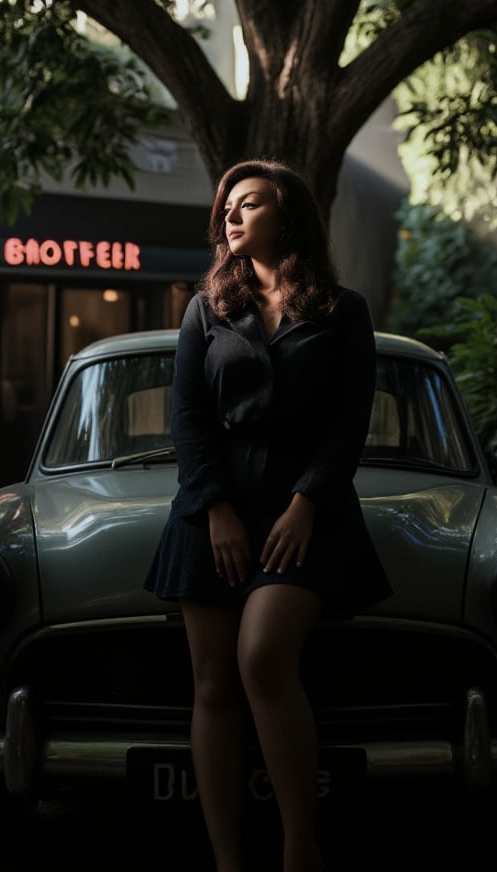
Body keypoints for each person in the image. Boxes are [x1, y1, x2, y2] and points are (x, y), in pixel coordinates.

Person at [145, 159, 392, 872]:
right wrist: (215, 507)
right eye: (227, 206)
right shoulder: (206, 308)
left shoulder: (343, 310)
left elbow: (349, 423)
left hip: (306, 510)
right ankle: (226, 858)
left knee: (261, 660)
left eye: (248, 204)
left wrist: (307, 501)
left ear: (286, 216)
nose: (230, 215)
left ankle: (296, 850)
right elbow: (187, 420)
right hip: (212, 508)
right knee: (213, 682)